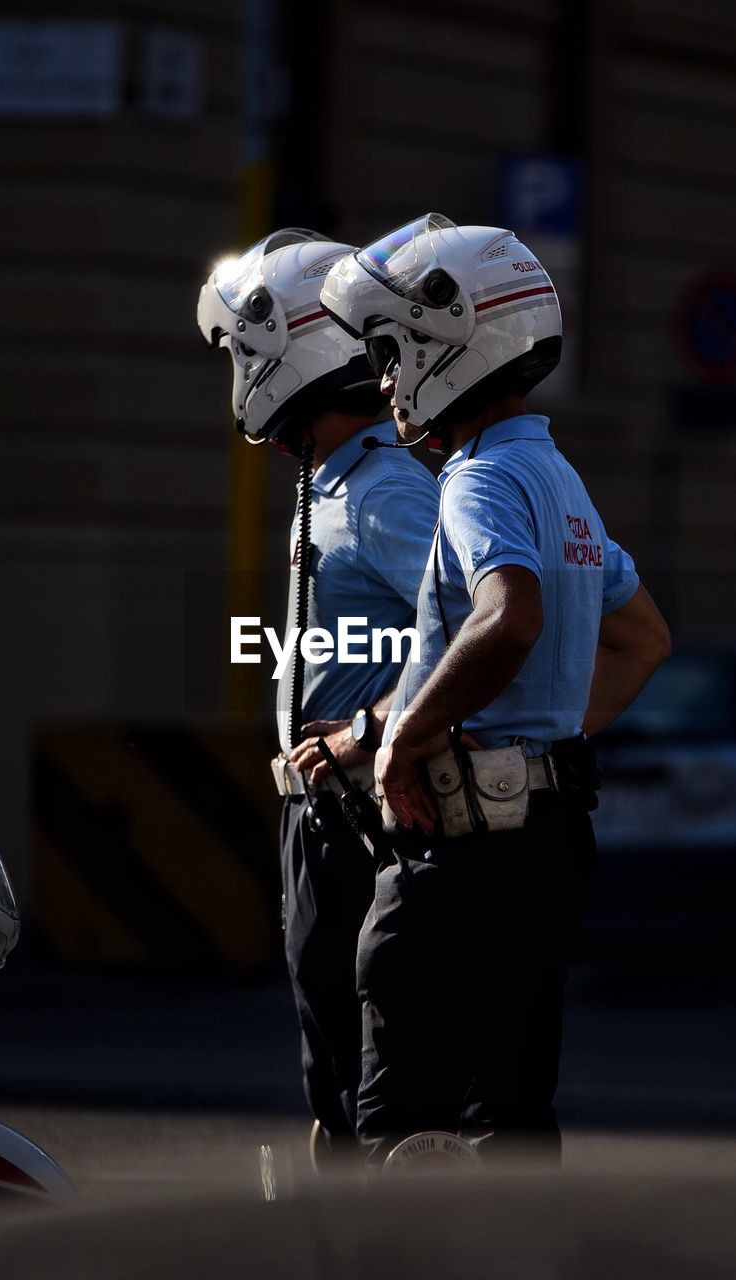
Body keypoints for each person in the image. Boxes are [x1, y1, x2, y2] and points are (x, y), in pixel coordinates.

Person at [320, 213, 672, 1165]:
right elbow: (642, 638)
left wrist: (403, 740)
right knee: (510, 1122)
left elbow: (506, 615)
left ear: (453, 339)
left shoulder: (475, 482)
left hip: (462, 857)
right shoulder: (558, 478)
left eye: (392, 352)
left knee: (404, 1128)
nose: (386, 379)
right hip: (549, 841)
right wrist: (544, 743)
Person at [197, 230, 438, 1162]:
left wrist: (371, 733)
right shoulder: (330, 483)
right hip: (322, 811)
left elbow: (476, 630)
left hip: (362, 812)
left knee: (369, 1073)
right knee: (331, 1061)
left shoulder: (381, 490)